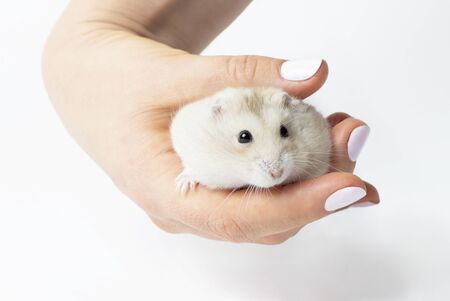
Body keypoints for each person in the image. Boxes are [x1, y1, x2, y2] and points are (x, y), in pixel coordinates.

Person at [42, 0, 379, 244]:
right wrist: (96, 30)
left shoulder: (299, 120)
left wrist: (94, 31)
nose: (274, 166)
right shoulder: (201, 126)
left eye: (282, 132)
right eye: (245, 137)